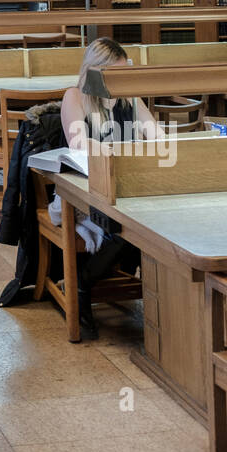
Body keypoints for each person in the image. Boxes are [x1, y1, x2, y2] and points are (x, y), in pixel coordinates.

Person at [55, 37, 158, 336]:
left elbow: (156, 135)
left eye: (124, 72)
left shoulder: (129, 98)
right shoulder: (75, 96)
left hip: (125, 183)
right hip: (81, 187)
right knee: (126, 224)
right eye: (114, 73)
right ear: (94, 71)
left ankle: (159, 296)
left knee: (153, 224)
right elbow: (78, 144)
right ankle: (82, 283)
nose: (120, 80)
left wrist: (154, 144)